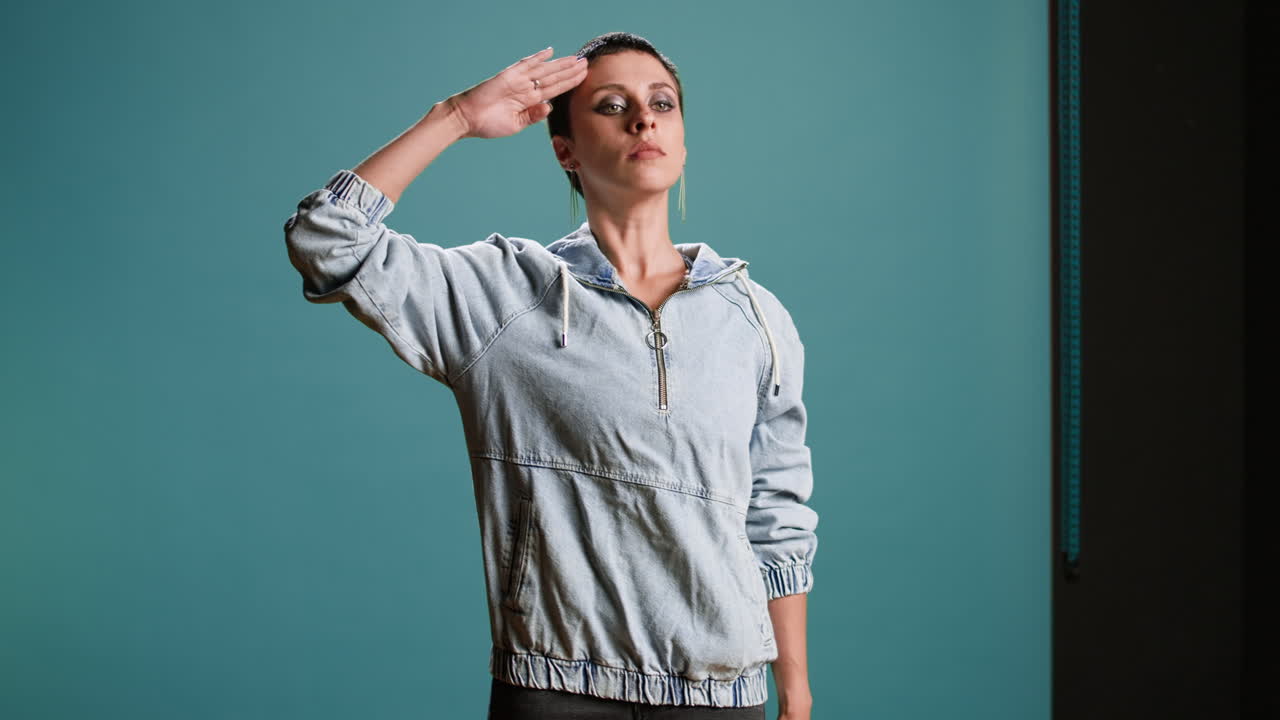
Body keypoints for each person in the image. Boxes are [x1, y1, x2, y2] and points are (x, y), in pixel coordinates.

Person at [283, 31, 818, 720]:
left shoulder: (755, 319)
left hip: (723, 695)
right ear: (563, 148)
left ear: (682, 142)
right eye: (611, 105)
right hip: (557, 689)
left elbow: (775, 520)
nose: (643, 120)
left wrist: (796, 693)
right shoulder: (504, 296)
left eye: (662, 103)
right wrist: (455, 117)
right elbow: (326, 240)